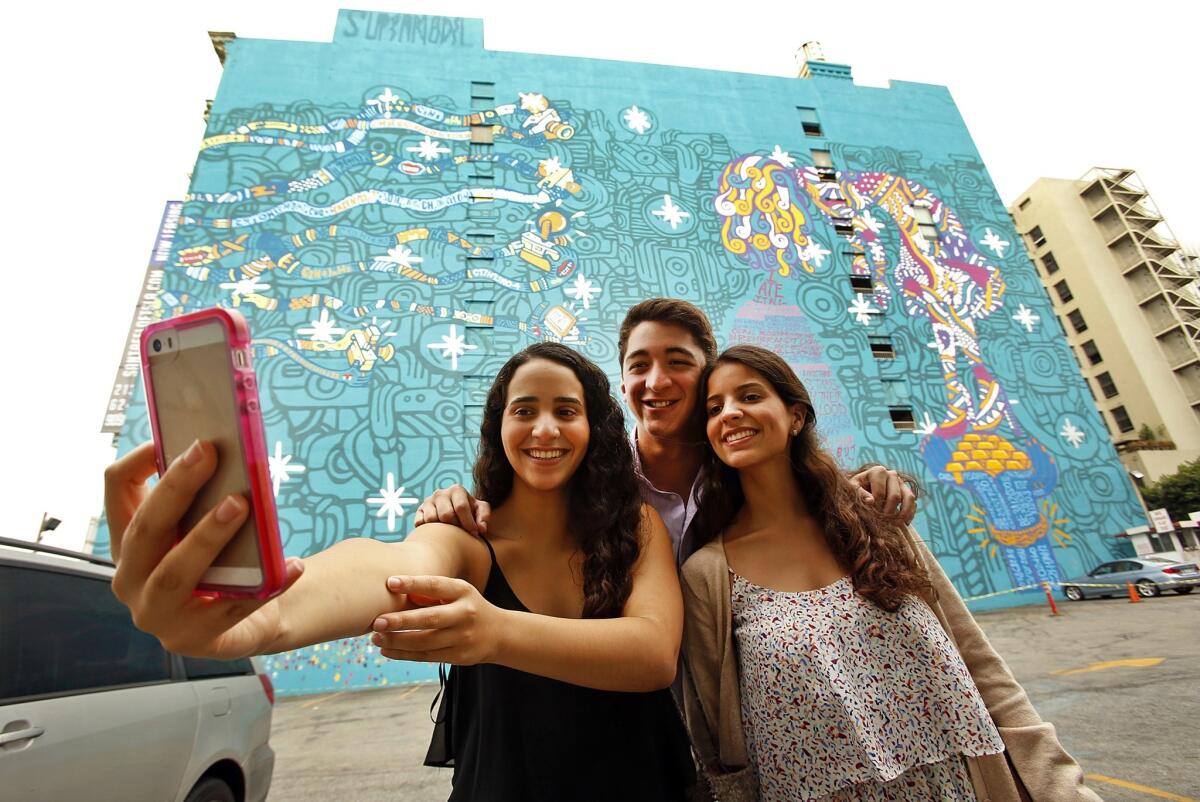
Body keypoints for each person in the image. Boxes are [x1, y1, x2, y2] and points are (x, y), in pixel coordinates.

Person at [105, 342, 695, 801]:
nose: (544, 429)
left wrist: (496, 632)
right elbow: (391, 565)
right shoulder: (466, 538)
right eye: (524, 410)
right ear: (499, 429)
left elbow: (651, 654)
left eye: (566, 411)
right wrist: (265, 615)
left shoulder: (634, 526)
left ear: (593, 429)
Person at [679, 344, 1102, 802]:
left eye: (750, 397)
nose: (731, 414)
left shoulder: (876, 522)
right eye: (715, 408)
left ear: (796, 416)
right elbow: (713, 733)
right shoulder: (707, 574)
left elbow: (979, 663)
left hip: (962, 785)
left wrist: (1060, 787)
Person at [413, 298, 917, 566]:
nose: (656, 382)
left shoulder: (746, 469)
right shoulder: (588, 474)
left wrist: (879, 481)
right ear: (623, 380)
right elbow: (514, 512)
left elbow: (807, 480)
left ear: (708, 374)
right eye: (639, 366)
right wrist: (453, 505)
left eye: (678, 362)